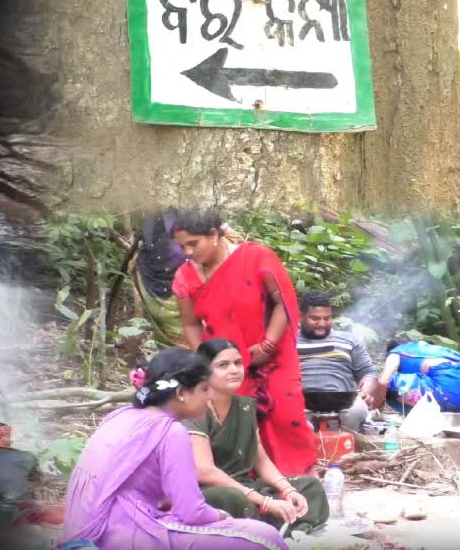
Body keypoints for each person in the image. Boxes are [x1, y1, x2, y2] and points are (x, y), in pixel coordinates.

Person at [59, 347, 287, 550]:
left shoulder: (118, 416)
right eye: (205, 389)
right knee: (264, 538)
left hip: (88, 530)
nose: (209, 397)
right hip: (126, 532)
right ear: (180, 393)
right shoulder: (171, 431)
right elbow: (192, 511)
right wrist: (221, 515)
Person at [171, 209, 317, 477]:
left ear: (213, 235)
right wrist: (205, 361)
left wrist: (267, 346)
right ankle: (251, 487)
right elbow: (190, 324)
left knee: (287, 418)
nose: (188, 252)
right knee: (238, 425)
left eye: (193, 243)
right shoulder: (185, 276)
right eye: (182, 247)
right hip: (225, 363)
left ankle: (302, 481)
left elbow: (282, 303)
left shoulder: (256, 257)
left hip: (272, 358)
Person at [188, 339, 329, 536]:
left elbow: (260, 460)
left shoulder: (245, 407)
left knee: (310, 486)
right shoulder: (194, 410)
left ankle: (288, 531)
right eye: (223, 365)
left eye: (238, 363)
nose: (234, 370)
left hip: (247, 486)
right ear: (204, 372)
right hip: (212, 491)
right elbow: (205, 472)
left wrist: (288, 490)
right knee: (232, 499)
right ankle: (275, 529)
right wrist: (264, 501)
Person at [295, 290, 384, 431]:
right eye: (315, 318)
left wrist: (365, 392)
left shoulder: (349, 340)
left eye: (327, 318)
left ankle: (344, 446)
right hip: (298, 401)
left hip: (344, 402)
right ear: (300, 317)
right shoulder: (288, 340)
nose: (322, 324)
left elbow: (369, 373)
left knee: (356, 409)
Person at [379, 338, 460, 426]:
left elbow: (383, 382)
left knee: (390, 383)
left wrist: (376, 402)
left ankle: (425, 420)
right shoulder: (435, 350)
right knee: (449, 377)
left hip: (450, 390)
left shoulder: (396, 352)